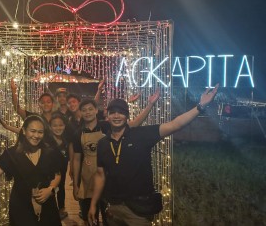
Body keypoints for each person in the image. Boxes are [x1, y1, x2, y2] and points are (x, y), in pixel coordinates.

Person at [88, 85, 219, 226]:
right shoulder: (102, 143)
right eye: (113, 112)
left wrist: (200, 106)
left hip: (138, 210)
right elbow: (100, 175)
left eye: (121, 112)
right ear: (107, 116)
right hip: (113, 208)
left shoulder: (142, 135)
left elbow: (175, 124)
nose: (116, 116)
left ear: (127, 115)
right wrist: (93, 204)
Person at [73, 92, 160, 225]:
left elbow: (131, 121)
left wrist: (149, 105)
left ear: (97, 110)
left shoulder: (106, 126)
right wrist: (75, 183)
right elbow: (77, 158)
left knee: (107, 214)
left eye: (91, 109)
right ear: (80, 112)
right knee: (89, 216)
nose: (88, 113)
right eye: (84, 110)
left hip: (107, 178)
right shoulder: (78, 132)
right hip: (88, 177)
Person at [0, 115, 62, 225]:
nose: (36, 135)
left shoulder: (49, 152)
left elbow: (57, 175)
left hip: (48, 206)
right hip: (21, 208)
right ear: (23, 131)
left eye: (40, 132)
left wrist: (50, 189)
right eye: (32, 131)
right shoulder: (12, 154)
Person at [49, 113, 70, 220]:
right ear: (50, 127)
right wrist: (7, 127)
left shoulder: (65, 140)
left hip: (62, 169)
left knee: (61, 188)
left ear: (65, 125)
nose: (58, 128)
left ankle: (61, 209)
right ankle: (50, 210)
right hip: (49, 171)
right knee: (51, 189)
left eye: (61, 125)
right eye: (55, 125)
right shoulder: (46, 140)